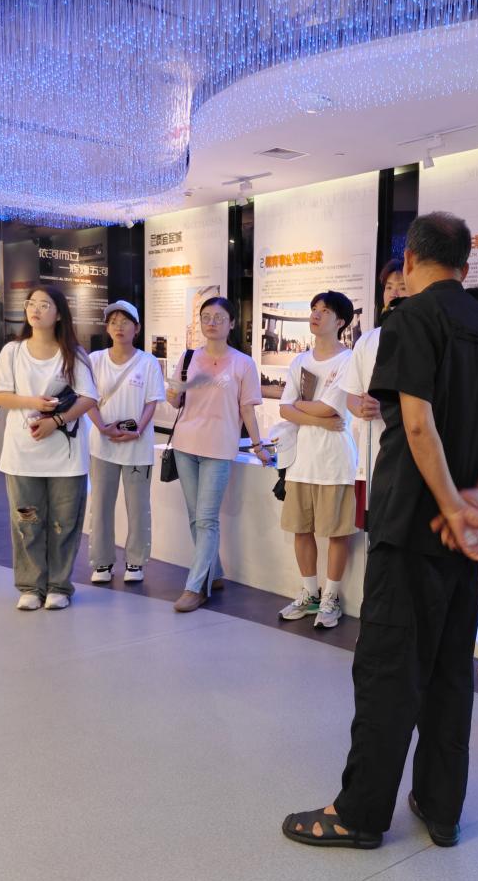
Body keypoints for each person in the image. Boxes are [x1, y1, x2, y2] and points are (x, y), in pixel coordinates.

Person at [282, 211, 478, 850]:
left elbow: (417, 424)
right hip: (461, 537)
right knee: (449, 671)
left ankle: (360, 814)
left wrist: (449, 504)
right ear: (465, 266)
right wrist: (474, 501)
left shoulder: (411, 319)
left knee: (389, 671)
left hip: (412, 526)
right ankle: (441, 807)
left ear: (411, 261)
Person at [0, 287, 99, 611]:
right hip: (22, 454)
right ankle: (30, 586)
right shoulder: (13, 351)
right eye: (31, 304)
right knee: (27, 520)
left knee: (64, 522)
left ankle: (59, 586)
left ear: (59, 314)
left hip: (66, 456)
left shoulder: (73, 354)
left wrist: (57, 420)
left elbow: (89, 398)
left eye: (44, 305)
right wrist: (33, 402)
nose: (35, 309)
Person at [168, 297, 271, 613]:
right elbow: (175, 401)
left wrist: (258, 446)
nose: (211, 323)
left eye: (219, 317)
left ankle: (195, 587)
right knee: (195, 517)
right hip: (185, 445)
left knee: (206, 518)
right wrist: (175, 391)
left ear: (232, 323)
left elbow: (247, 410)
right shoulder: (188, 357)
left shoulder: (243, 363)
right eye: (206, 317)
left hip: (219, 447)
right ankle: (213, 573)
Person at [276, 291, 358, 630]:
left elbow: (331, 407)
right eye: (313, 309)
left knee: (337, 532)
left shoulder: (349, 359)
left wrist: (302, 407)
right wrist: (319, 419)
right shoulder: (300, 361)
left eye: (325, 311)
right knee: (302, 528)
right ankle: (310, 593)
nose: (316, 314)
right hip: (301, 460)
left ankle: (331, 597)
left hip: (335, 461)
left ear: (340, 321)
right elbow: (284, 409)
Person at [85, 301, 167, 584]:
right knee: (100, 505)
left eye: (125, 321)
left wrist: (138, 430)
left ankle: (135, 562)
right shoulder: (95, 360)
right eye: (113, 322)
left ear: (137, 328)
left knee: (138, 506)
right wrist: (102, 427)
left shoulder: (148, 362)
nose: (118, 327)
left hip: (137, 446)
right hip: (102, 445)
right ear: (107, 328)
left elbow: (152, 401)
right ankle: (102, 562)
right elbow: (87, 399)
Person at [340, 263, 406, 531]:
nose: (394, 293)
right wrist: (361, 408)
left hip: (408, 459)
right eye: (389, 287)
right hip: (371, 457)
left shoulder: (425, 339)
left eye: (402, 287)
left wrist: (389, 408)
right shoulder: (366, 341)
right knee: (375, 535)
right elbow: (352, 397)